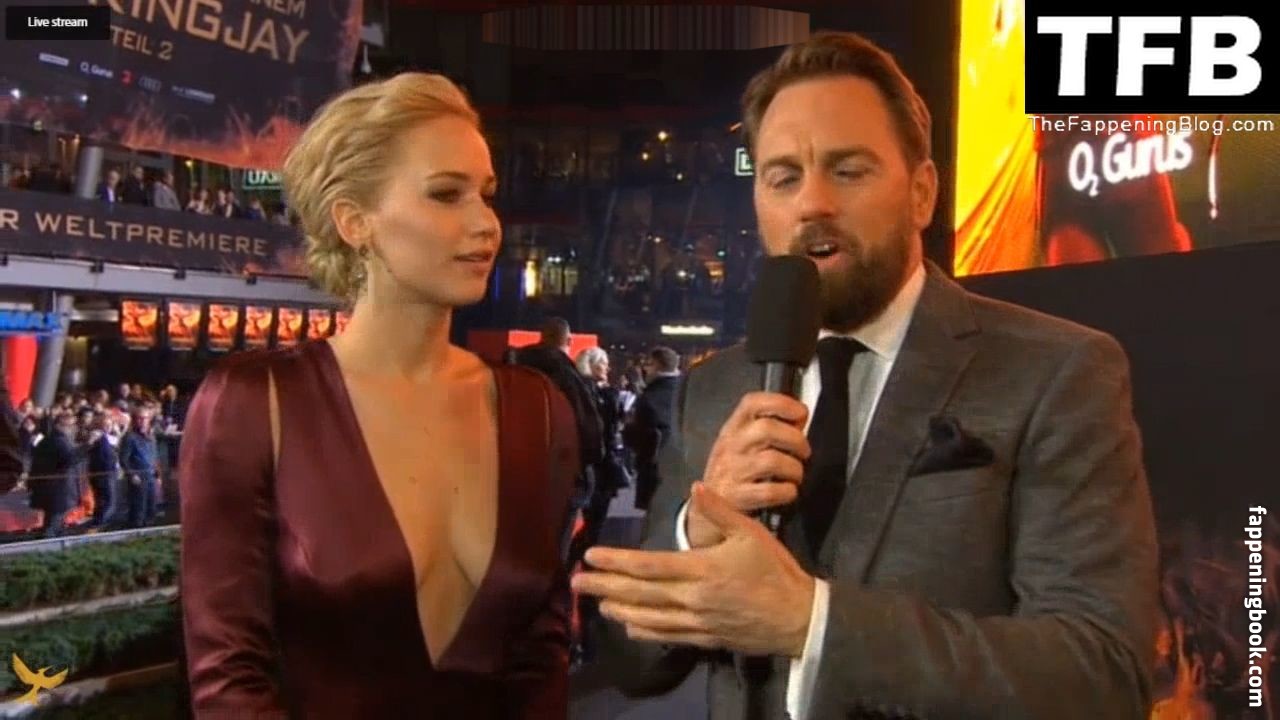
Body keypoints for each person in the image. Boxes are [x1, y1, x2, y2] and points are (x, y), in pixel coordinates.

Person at [576, 31, 1160, 720]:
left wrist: (811, 624)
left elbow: (1101, 674)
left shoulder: (1056, 371)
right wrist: (693, 533)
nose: (812, 203)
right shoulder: (713, 390)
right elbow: (633, 664)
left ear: (922, 193)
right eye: (783, 178)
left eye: (849, 171)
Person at [179, 72, 580, 718]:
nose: (486, 223)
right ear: (355, 221)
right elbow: (228, 674)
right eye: (446, 194)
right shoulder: (256, 403)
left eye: (486, 195)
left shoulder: (538, 411)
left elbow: (543, 653)